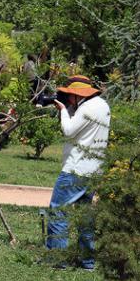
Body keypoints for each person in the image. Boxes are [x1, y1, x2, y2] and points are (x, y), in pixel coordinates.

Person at [46, 75, 111, 270]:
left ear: (77, 94)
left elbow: (68, 130)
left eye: (70, 95)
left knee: (58, 211)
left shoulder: (86, 108)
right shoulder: (103, 106)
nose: (68, 99)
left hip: (76, 169)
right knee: (85, 217)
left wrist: (64, 111)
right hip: (94, 169)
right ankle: (87, 261)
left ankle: (57, 260)